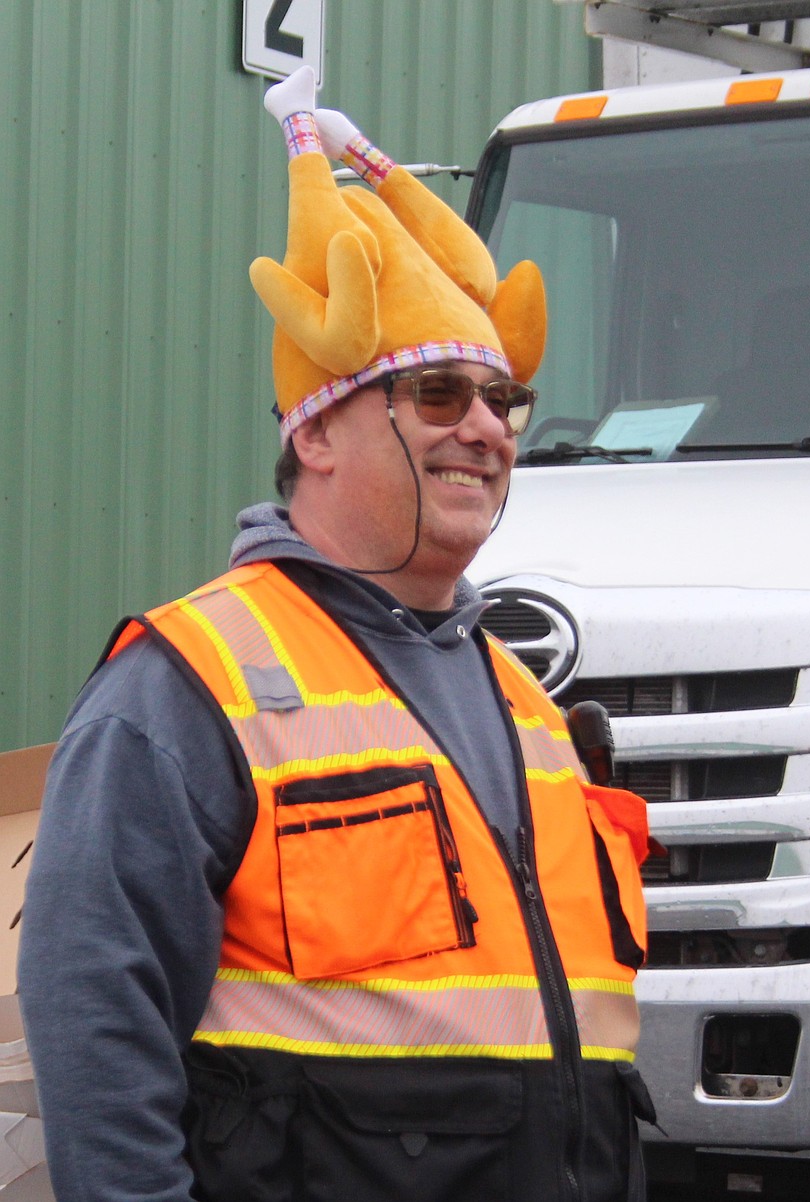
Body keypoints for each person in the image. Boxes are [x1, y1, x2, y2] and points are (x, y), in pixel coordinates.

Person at [18, 66, 653, 1202]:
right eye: (438, 395)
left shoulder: (522, 699)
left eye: (501, 400)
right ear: (316, 433)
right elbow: (94, 1026)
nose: (485, 430)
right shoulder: (186, 686)